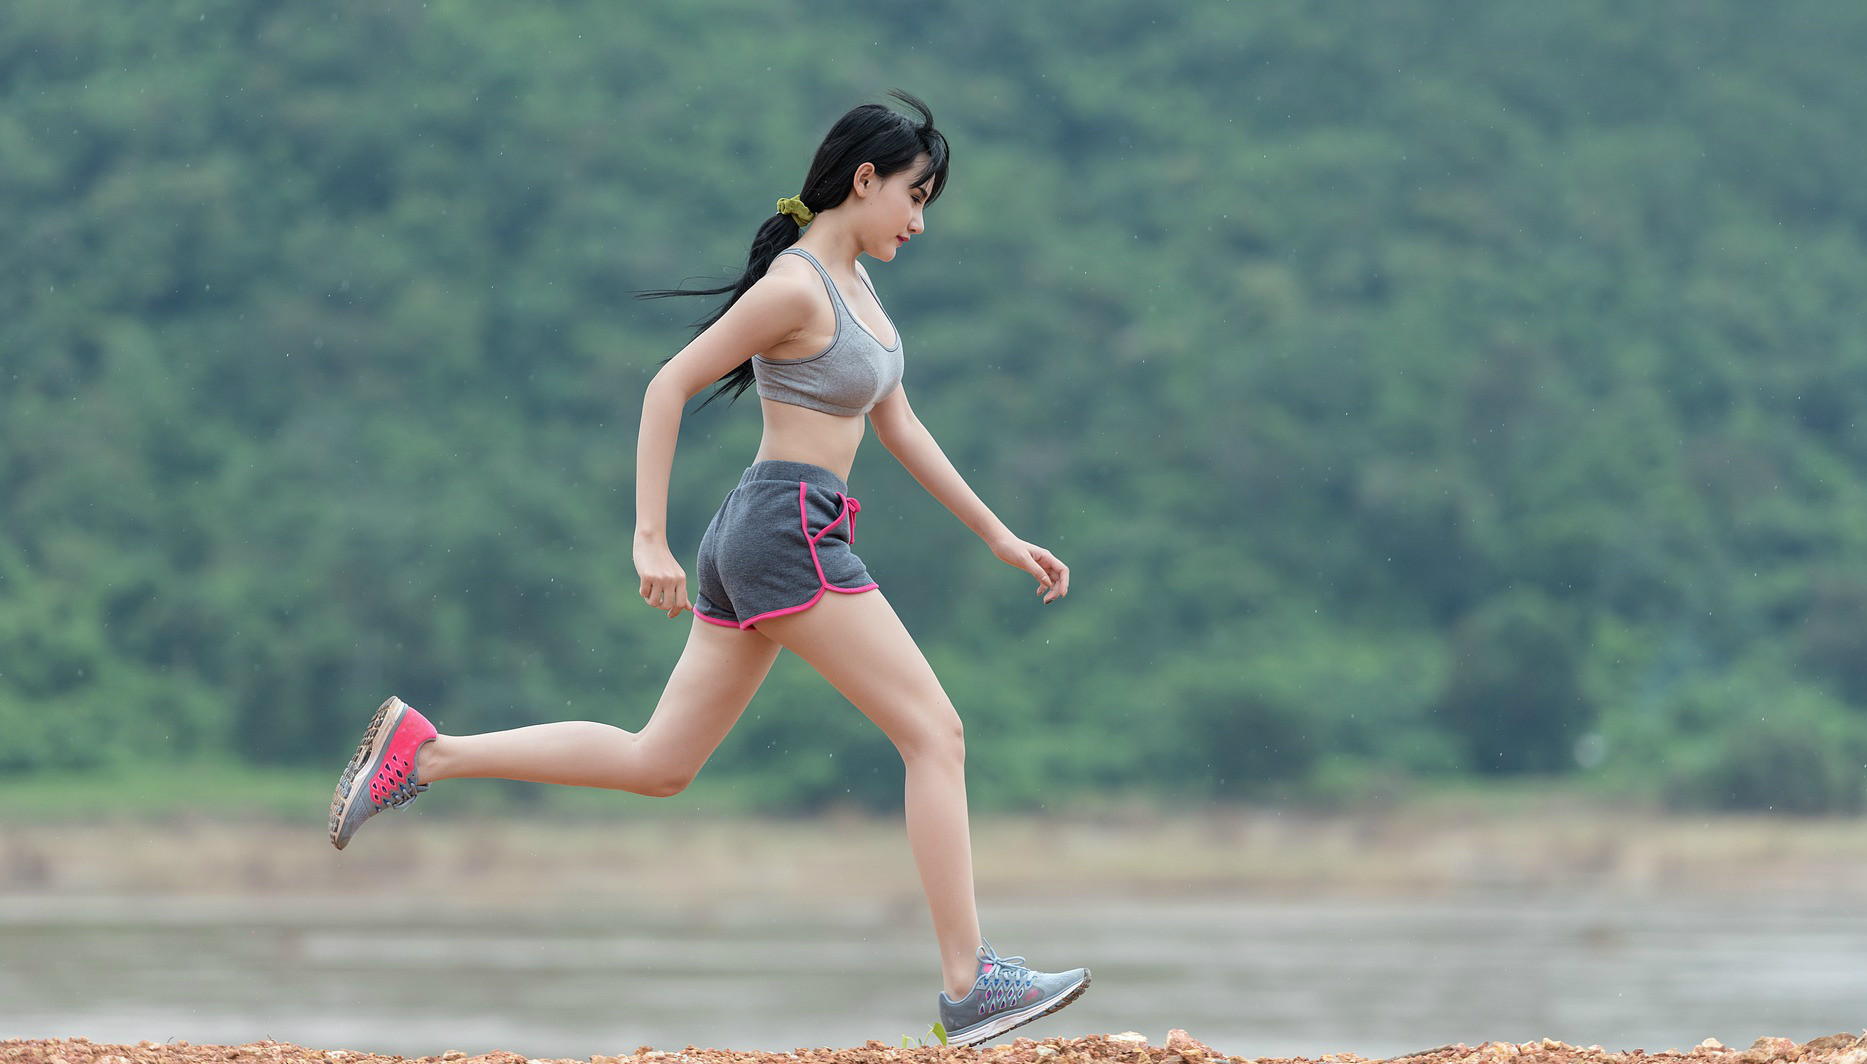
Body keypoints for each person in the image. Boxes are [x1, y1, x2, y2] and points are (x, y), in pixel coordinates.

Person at [327, 91, 1088, 1046]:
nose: (919, 219)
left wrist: (995, 533)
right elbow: (668, 383)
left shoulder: (857, 290)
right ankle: (970, 984)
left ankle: (427, 754)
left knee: (659, 764)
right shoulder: (798, 286)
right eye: (913, 195)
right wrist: (647, 538)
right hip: (787, 533)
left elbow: (897, 423)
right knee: (936, 734)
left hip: (765, 534)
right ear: (865, 180)